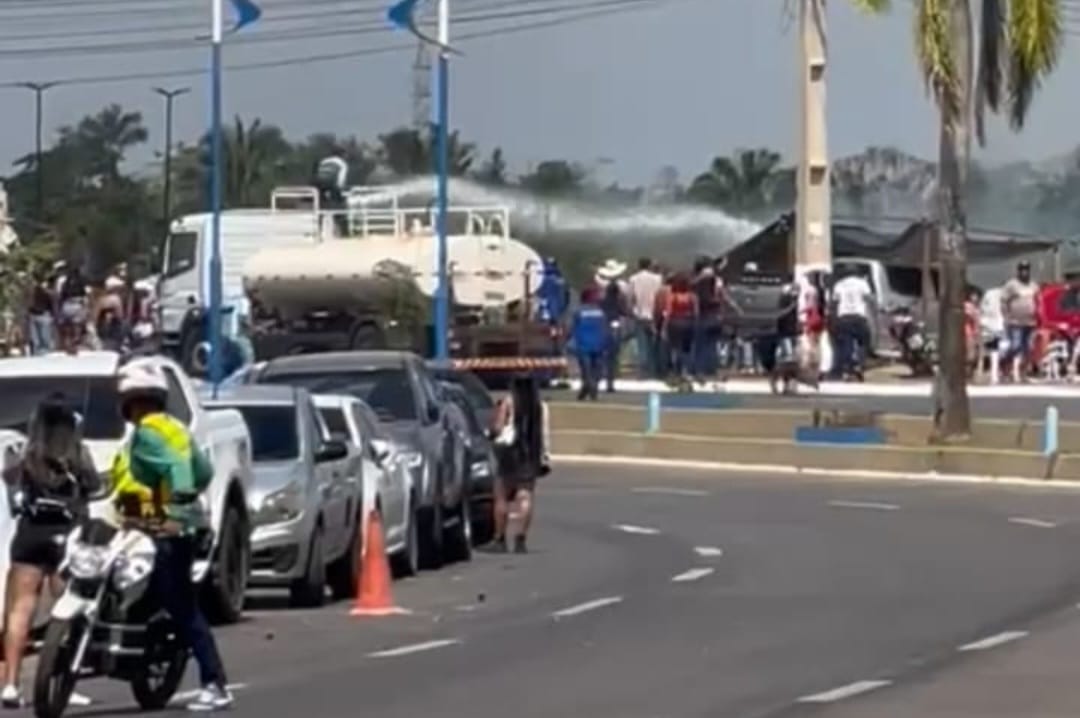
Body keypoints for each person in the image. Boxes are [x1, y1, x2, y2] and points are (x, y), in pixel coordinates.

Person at [110, 360, 233, 711]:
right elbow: (203, 471)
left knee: (183, 607)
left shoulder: (148, 433)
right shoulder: (175, 427)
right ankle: (142, 654)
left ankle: (215, 682)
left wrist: (174, 506)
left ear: (131, 400)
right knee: (152, 597)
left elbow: (178, 472)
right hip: (175, 523)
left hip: (172, 527)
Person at [1, 396, 99, 708]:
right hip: (66, 536)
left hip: (30, 535)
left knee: (19, 611)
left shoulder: (28, 456)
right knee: (68, 608)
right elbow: (94, 485)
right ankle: (63, 677)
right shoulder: (77, 454)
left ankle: (11, 685)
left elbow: (10, 481)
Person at [488, 375, 549, 554]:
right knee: (525, 496)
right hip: (531, 453)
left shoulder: (508, 402)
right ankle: (520, 538)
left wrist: (492, 432)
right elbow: (543, 433)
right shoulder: (540, 406)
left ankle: (500, 538)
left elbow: (498, 428)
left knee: (502, 496)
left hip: (509, 453)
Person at [830, 265, 874, 381]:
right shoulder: (862, 283)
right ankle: (859, 364)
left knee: (845, 343)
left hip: (844, 317)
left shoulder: (839, 284)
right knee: (864, 342)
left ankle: (847, 369)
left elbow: (834, 302)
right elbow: (869, 298)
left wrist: (833, 319)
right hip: (859, 317)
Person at [1001, 260, 1039, 382]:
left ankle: (1023, 372)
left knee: (1028, 348)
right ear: (1018, 271)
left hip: (1030, 322)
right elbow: (1003, 301)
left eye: (1026, 269)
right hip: (1015, 321)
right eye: (1022, 269)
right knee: (1015, 345)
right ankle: (1005, 365)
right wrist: (1006, 315)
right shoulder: (1012, 285)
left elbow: (1038, 301)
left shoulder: (1033, 285)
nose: (1024, 272)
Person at [626, 257, 662, 378]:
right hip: (654, 314)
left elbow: (630, 298)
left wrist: (631, 311)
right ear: (650, 265)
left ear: (639, 265)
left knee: (642, 343)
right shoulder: (658, 279)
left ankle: (642, 370)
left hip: (640, 314)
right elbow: (660, 296)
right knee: (654, 343)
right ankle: (654, 369)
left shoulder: (633, 279)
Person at [570, 287, 607, 401]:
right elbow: (604, 328)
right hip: (598, 345)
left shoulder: (578, 312)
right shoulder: (600, 312)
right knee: (596, 370)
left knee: (586, 371)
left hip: (583, 345)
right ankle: (588, 390)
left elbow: (571, 327)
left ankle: (591, 390)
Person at [662, 272, 698, 380]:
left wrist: (664, 327)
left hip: (674, 323)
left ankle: (675, 370)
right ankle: (686, 370)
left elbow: (668, 312)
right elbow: (696, 312)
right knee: (687, 349)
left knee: (675, 348)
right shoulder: (692, 297)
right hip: (688, 323)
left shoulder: (672, 297)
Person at [56, 262, 89, 354]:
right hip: (77, 305)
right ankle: (75, 345)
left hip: (66, 305)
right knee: (77, 327)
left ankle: (68, 346)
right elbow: (85, 296)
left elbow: (61, 296)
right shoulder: (81, 282)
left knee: (67, 328)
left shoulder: (65, 283)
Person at [26, 269, 55, 356]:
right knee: (44, 335)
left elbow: (28, 302)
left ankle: (38, 350)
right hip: (43, 314)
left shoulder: (31, 289)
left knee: (36, 336)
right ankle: (44, 351)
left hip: (35, 313)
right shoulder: (46, 290)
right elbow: (51, 302)